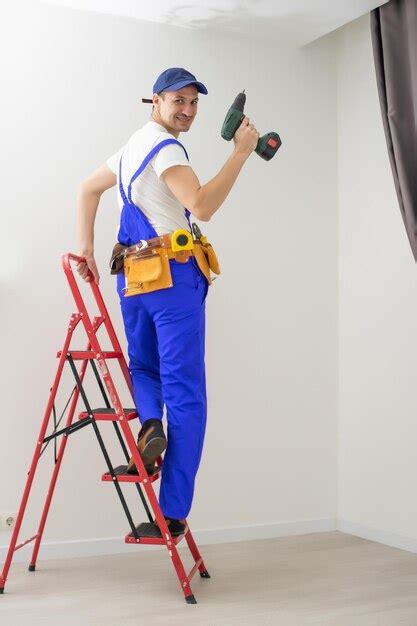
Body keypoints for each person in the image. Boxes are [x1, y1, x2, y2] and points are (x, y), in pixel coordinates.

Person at [75, 67, 259, 536]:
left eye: (194, 102)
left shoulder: (127, 150)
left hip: (133, 279)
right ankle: (172, 514)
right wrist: (240, 153)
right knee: (188, 394)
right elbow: (201, 207)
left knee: (144, 369)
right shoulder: (166, 147)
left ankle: (150, 424)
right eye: (178, 100)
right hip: (174, 278)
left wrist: (85, 249)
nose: (188, 110)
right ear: (154, 101)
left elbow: (86, 188)